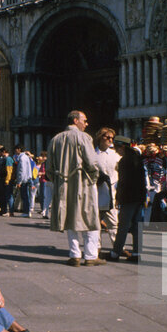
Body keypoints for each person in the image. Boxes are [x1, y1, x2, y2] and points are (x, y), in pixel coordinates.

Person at [47, 110, 104, 266]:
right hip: (83, 183)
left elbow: (49, 168)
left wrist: (59, 181)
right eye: (84, 120)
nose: (86, 124)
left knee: (69, 218)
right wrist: (93, 178)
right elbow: (92, 163)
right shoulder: (84, 137)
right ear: (75, 120)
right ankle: (91, 256)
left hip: (63, 186)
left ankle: (74, 255)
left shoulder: (55, 139)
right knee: (90, 217)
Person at [108, 137, 146, 262]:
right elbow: (142, 180)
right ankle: (136, 254)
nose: (116, 151)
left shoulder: (124, 161)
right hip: (139, 197)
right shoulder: (138, 158)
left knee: (123, 226)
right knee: (136, 226)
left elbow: (123, 182)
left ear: (122, 147)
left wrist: (118, 198)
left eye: (117, 148)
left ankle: (115, 253)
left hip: (128, 198)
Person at [93, 128, 120, 246]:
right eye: (107, 137)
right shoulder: (92, 154)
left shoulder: (116, 155)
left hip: (112, 193)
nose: (110, 140)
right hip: (96, 192)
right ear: (100, 137)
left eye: (111, 138)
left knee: (114, 222)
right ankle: (96, 248)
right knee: (95, 223)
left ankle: (118, 247)